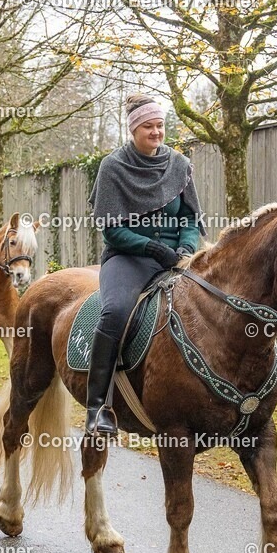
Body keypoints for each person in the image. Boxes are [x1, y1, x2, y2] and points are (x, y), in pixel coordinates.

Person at [85, 93, 205, 436]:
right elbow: (111, 230)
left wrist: (186, 246)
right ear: (133, 130)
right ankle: (98, 407)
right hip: (128, 258)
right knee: (115, 313)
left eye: (160, 125)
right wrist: (151, 247)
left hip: (177, 257)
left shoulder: (179, 164)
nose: (156, 132)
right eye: (148, 126)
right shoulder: (113, 167)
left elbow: (189, 218)